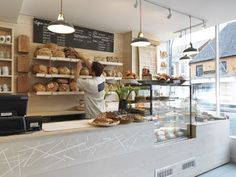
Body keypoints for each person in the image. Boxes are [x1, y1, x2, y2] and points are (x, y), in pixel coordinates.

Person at [75, 54, 105, 119]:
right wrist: (82, 57)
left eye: (90, 68)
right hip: (101, 112)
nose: (89, 68)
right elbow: (91, 66)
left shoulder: (90, 83)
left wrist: (78, 69)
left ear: (93, 72)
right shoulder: (102, 78)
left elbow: (76, 80)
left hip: (92, 115)